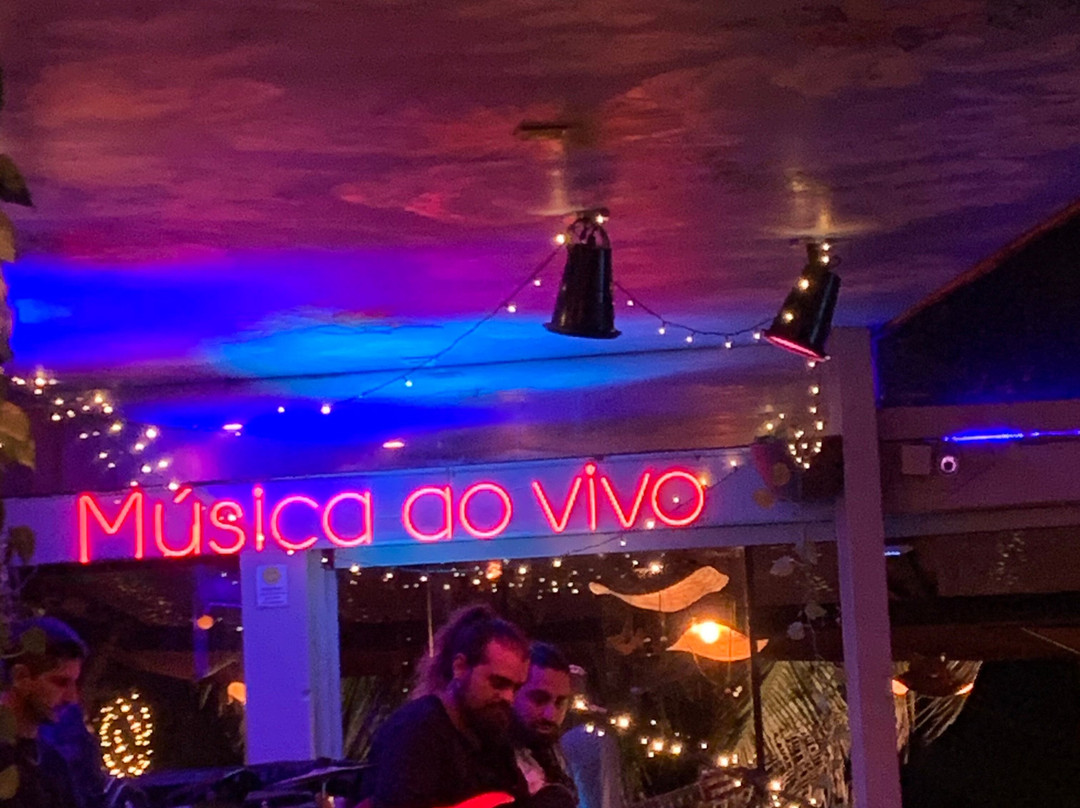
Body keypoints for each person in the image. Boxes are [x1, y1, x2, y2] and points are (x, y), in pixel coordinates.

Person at [361, 605, 531, 808]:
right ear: (460, 667)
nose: (509, 697)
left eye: (516, 688)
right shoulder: (416, 729)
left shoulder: (492, 735)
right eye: (498, 683)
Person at [0, 617, 87, 808]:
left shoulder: (54, 765)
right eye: (61, 682)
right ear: (20, 677)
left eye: (74, 683)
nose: (72, 698)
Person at [511, 644, 576, 808]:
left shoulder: (552, 756)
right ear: (513, 693)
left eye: (560, 702)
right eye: (539, 699)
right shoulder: (487, 761)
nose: (550, 714)